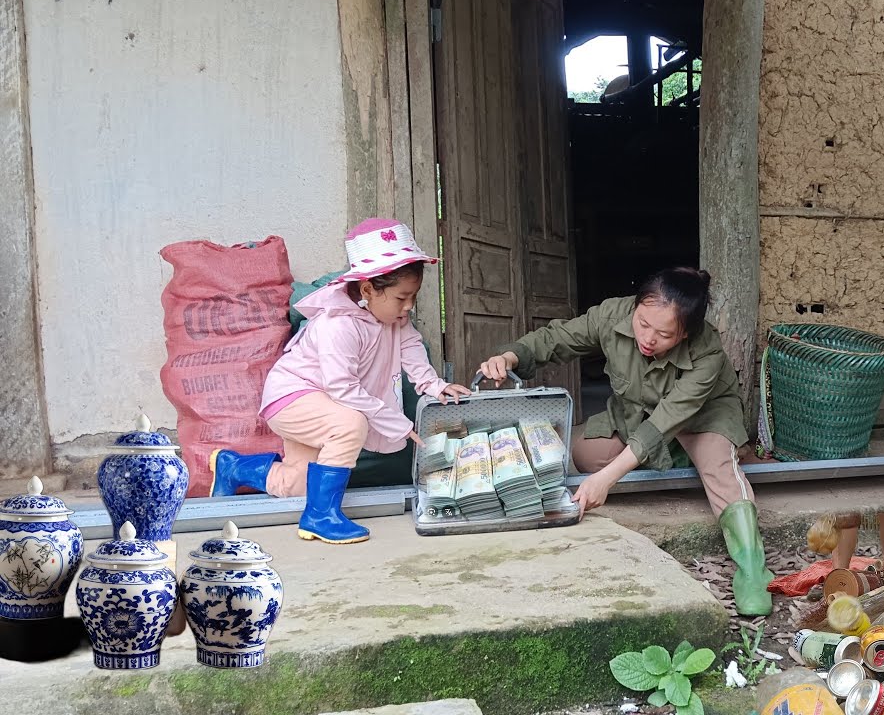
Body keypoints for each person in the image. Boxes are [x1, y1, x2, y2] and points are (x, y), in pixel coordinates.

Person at [477, 267, 774, 615]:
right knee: (588, 454)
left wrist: (607, 480)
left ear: (685, 334)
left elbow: (666, 419)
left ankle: (753, 568)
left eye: (664, 334)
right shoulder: (613, 315)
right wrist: (509, 356)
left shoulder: (706, 351)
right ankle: (677, 456)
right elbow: (557, 338)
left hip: (701, 416)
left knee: (717, 466)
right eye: (643, 323)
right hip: (637, 412)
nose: (648, 338)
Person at [209, 218, 470, 544]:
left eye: (413, 296)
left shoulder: (394, 319)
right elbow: (342, 388)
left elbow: (411, 350)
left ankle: (234, 468)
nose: (409, 306)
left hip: (323, 403)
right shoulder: (339, 325)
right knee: (350, 424)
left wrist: (434, 386)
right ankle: (320, 517)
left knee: (297, 486)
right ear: (367, 290)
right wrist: (400, 423)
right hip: (292, 398)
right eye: (402, 297)